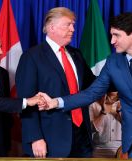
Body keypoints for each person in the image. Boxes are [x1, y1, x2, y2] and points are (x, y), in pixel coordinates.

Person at [38, 12, 132, 158]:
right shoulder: (113, 62)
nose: (112, 41)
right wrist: (56, 102)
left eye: (117, 35)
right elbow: (91, 93)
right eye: (111, 35)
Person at [15, 7, 96, 158]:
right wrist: (35, 137)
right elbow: (26, 101)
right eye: (68, 24)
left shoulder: (76, 54)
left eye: (73, 24)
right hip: (50, 139)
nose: (73, 29)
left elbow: (93, 85)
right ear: (52, 27)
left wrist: (119, 75)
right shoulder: (32, 57)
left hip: (82, 137)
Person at [0, 29, 44, 157]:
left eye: (0, 47)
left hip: (1, 144)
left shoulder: (2, 73)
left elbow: (4, 108)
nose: (1, 52)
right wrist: (26, 101)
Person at [89, 91, 121, 157]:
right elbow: (91, 129)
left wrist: (120, 111)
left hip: (121, 150)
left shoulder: (126, 103)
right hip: (98, 149)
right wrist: (103, 112)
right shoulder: (94, 104)